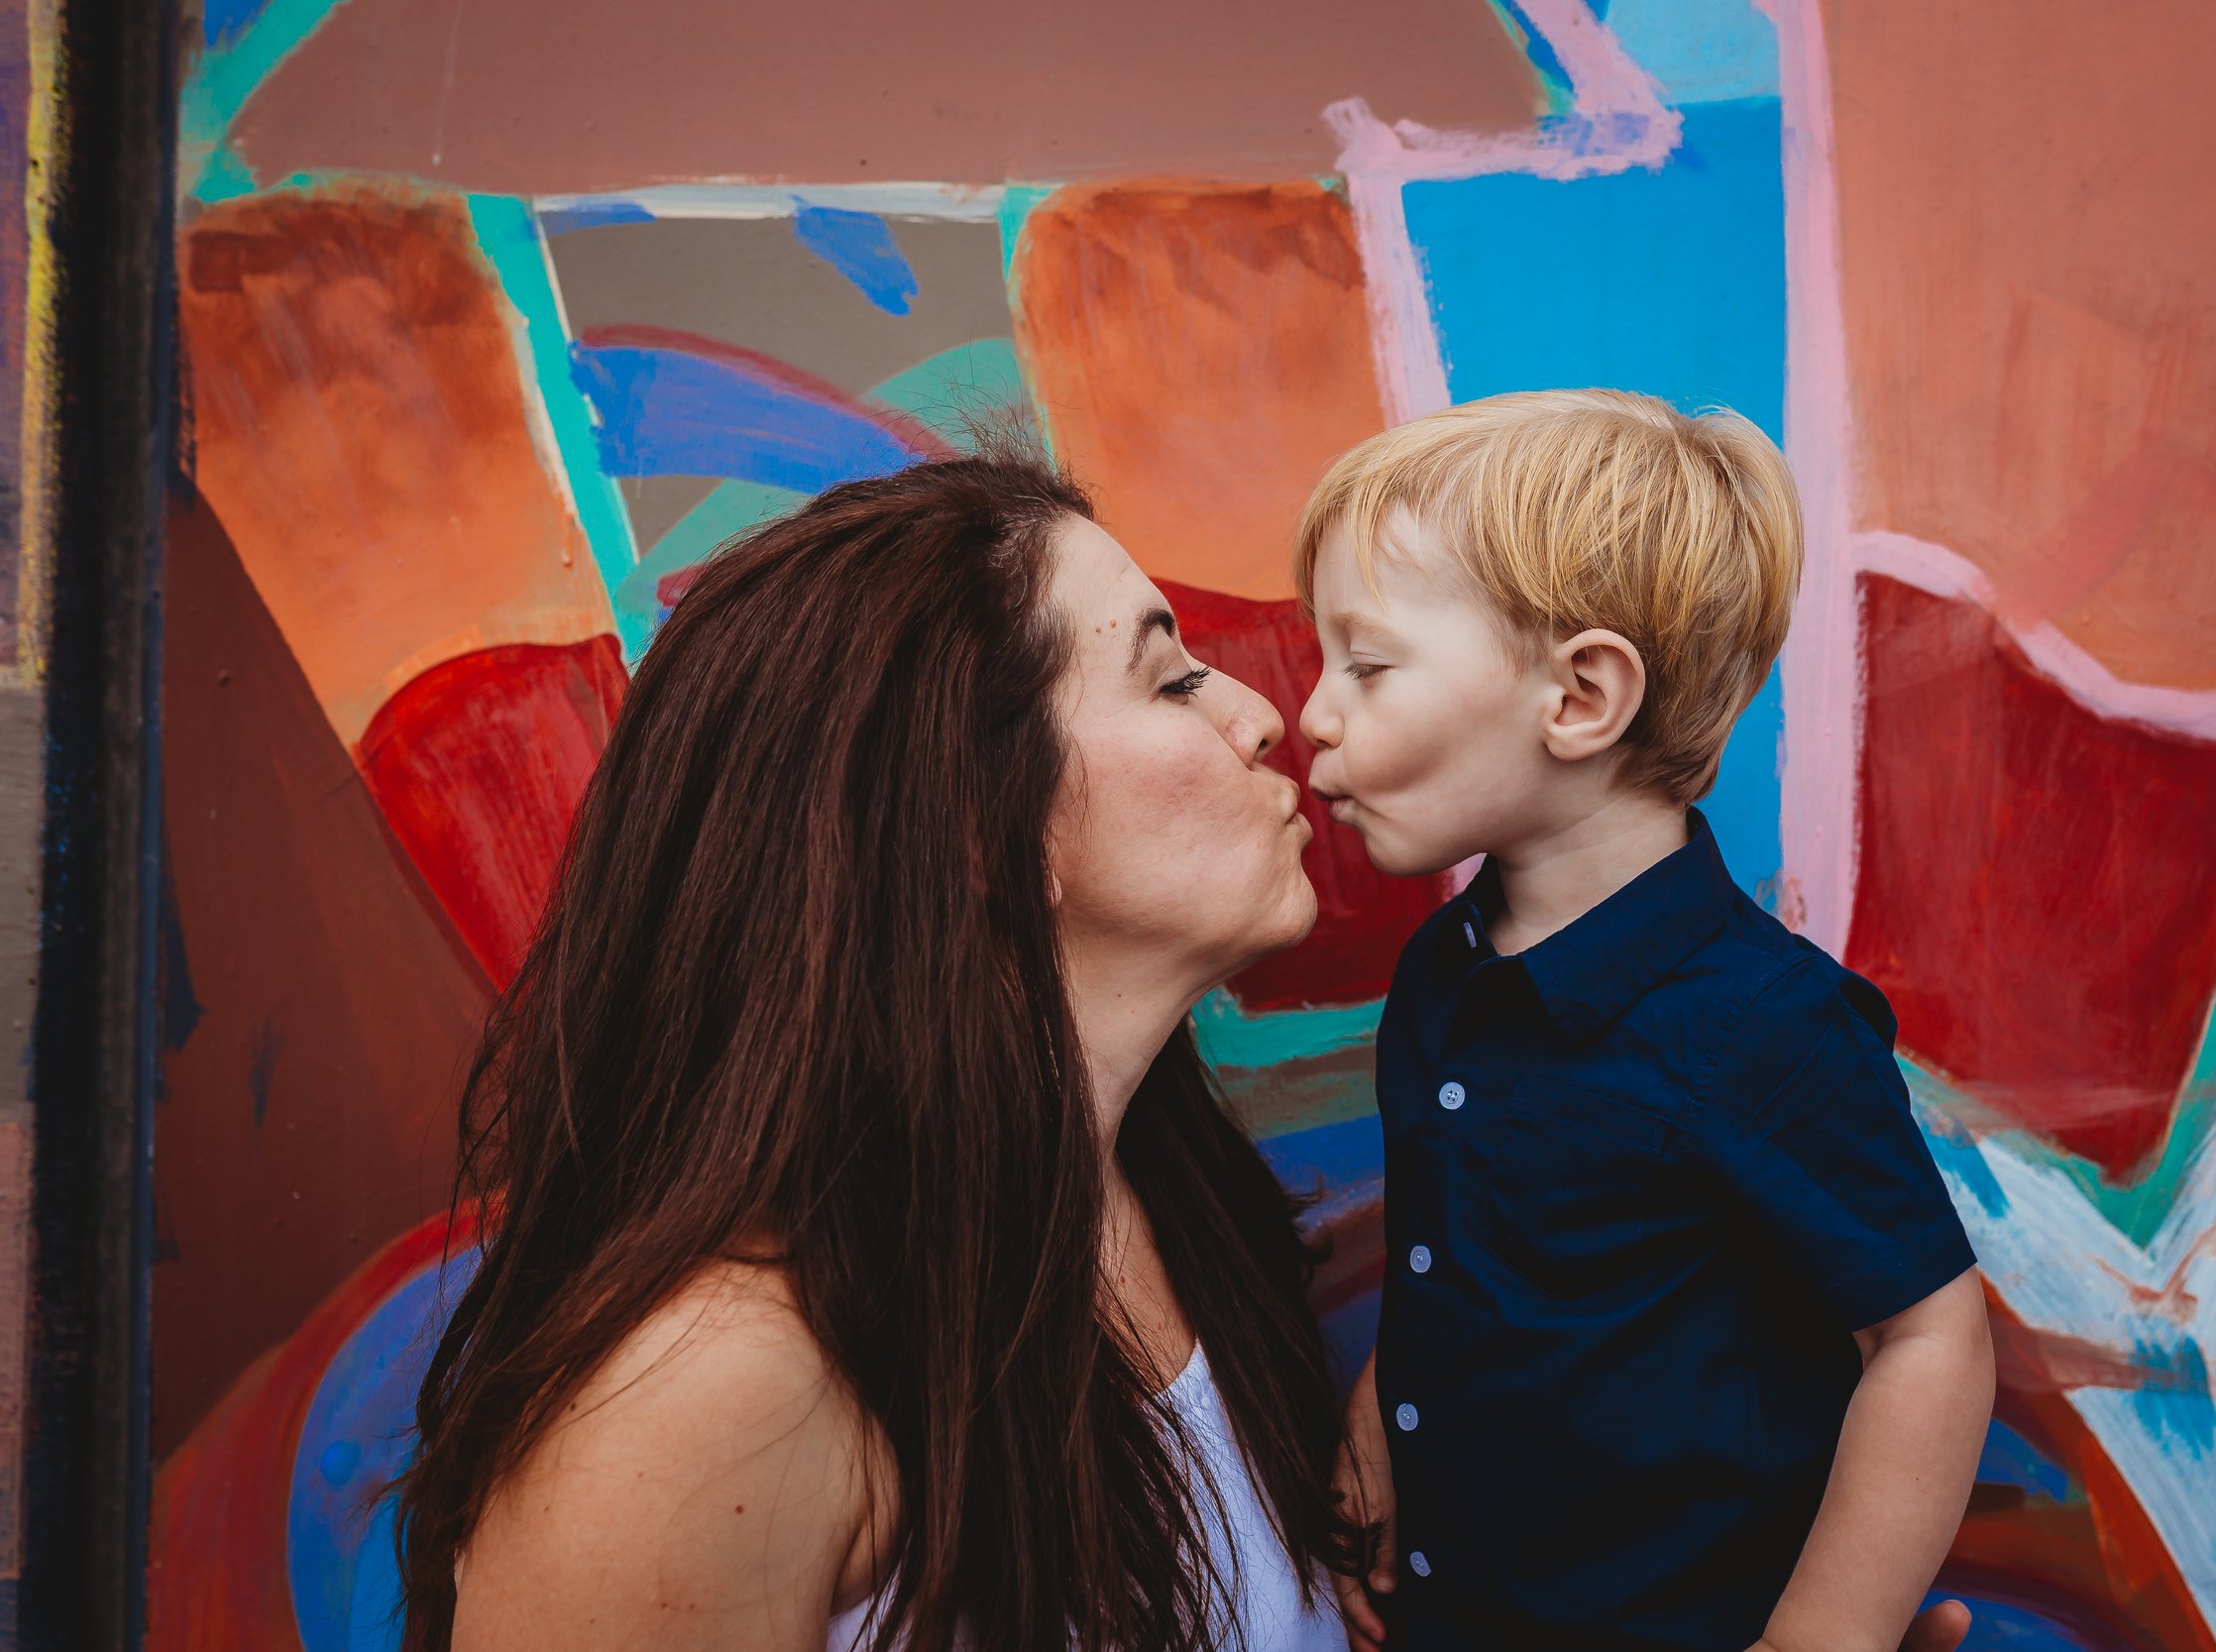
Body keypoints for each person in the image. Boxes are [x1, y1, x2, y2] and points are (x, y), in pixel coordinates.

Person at [391, 452, 1360, 1652]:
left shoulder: (1158, 1183)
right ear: (980, 829)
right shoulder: (710, 1398)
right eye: (1167, 682)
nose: (1262, 716)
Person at [1296, 391, 1995, 1652]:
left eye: (1368, 662)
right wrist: (1378, 1422)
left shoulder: (1761, 1024)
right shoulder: (1440, 973)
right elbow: (1461, 1252)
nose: (1313, 714)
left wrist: (1818, 1638)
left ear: (1579, 696)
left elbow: (1927, 1331)